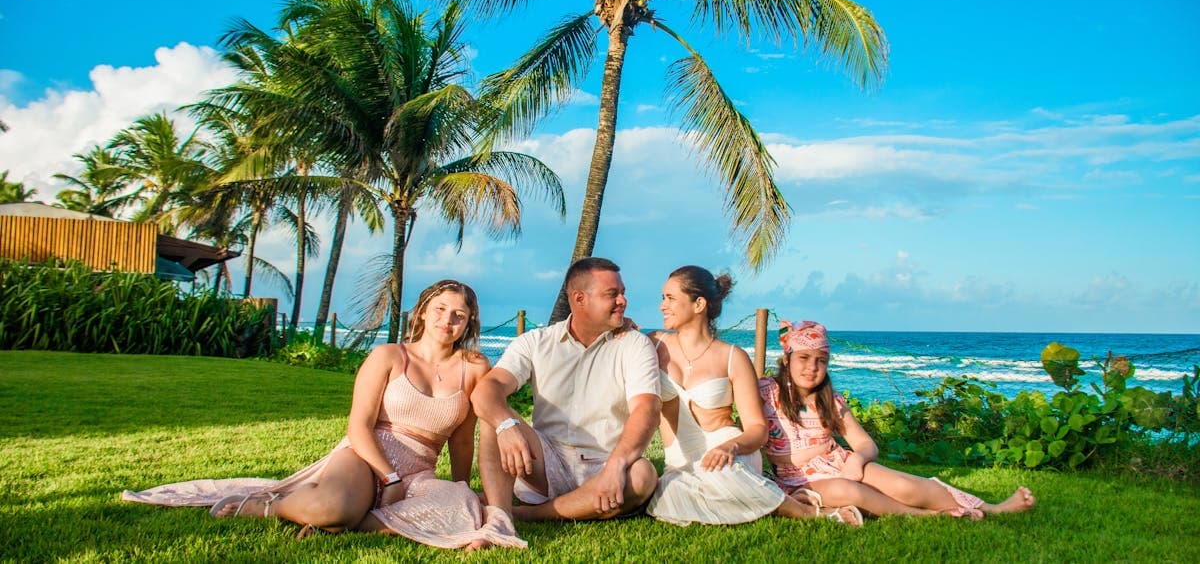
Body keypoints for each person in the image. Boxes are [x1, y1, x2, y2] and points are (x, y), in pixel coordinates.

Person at [122, 280, 525, 551]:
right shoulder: (388, 356)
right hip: (366, 456)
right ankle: (271, 506)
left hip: (420, 469)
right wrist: (389, 476)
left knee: (465, 507)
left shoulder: (474, 367)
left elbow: (460, 438)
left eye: (459, 314)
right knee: (334, 507)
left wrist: (455, 491)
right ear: (421, 312)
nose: (447, 320)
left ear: (470, 321)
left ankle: (352, 515)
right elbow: (358, 426)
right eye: (439, 309)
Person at [759, 320, 1037, 520]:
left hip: (840, 464)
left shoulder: (830, 401)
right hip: (797, 478)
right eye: (804, 358)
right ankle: (925, 517)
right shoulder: (766, 392)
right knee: (849, 490)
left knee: (907, 485)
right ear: (787, 360)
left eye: (821, 360)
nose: (812, 367)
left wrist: (857, 459)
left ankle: (992, 507)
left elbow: (866, 444)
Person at [645, 266, 860, 526]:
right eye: (663, 298)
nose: (661, 306)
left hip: (731, 451)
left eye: (670, 298)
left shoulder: (733, 357)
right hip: (680, 459)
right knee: (671, 495)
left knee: (721, 474)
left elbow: (758, 430)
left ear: (698, 304)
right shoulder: (653, 345)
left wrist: (730, 447)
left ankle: (810, 513)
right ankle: (768, 495)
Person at [470, 257, 661, 529]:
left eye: (622, 293)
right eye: (612, 294)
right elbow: (487, 390)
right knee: (495, 415)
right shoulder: (536, 342)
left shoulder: (634, 344)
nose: (622, 301)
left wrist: (616, 466)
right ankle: (500, 516)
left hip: (606, 463)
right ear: (580, 299)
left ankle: (524, 514)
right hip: (545, 462)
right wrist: (506, 425)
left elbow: (647, 409)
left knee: (643, 475)